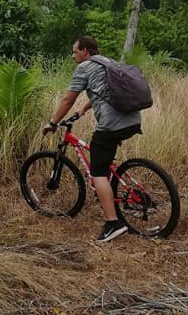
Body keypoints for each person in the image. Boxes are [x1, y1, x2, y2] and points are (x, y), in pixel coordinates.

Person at [42, 36, 142, 243]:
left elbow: (68, 99)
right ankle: (118, 198)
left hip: (112, 124)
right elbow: (104, 90)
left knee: (97, 172)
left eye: (75, 51)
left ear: (85, 51)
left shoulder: (84, 67)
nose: (73, 56)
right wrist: (85, 109)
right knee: (104, 159)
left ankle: (112, 223)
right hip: (132, 118)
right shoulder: (107, 61)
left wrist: (53, 123)